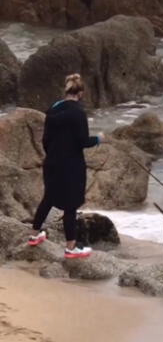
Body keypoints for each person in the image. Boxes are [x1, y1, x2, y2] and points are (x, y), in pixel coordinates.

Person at [28, 73, 105, 258]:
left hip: (52, 162)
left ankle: (33, 234)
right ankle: (71, 247)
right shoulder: (78, 113)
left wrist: (53, 154)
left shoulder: (53, 108)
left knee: (48, 198)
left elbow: (45, 139)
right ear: (80, 93)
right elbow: (82, 141)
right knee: (70, 205)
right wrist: (98, 139)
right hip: (71, 165)